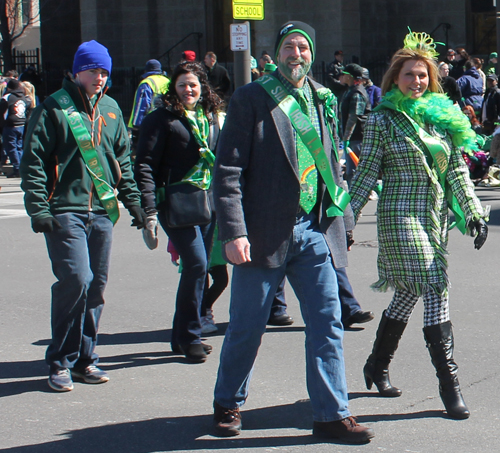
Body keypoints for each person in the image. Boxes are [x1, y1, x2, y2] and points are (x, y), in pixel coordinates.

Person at [211, 20, 374, 443]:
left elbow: (334, 167)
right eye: (289, 47)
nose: (296, 54)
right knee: (247, 326)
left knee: (327, 323)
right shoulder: (251, 98)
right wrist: (233, 230)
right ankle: (228, 400)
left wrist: (345, 223)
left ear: (311, 53)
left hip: (314, 230)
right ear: (277, 52)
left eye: (303, 47)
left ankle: (330, 414)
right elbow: (227, 171)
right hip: (262, 233)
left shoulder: (323, 99)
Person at [349, 30, 489, 420]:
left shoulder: (443, 118)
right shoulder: (382, 119)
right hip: (399, 217)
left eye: (423, 75)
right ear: (395, 78)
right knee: (435, 282)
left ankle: (376, 365)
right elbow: (366, 173)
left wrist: (475, 212)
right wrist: (346, 218)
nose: (416, 82)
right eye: (409, 75)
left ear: (432, 78)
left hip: (435, 217)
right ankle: (450, 386)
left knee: (409, 293)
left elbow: (457, 173)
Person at [20, 40, 146, 392]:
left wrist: (133, 201)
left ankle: (85, 358)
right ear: (77, 72)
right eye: (93, 70)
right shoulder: (53, 109)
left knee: (96, 287)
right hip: (65, 210)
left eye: (104, 71)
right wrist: (38, 208)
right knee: (76, 279)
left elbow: (121, 160)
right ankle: (60, 359)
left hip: (102, 212)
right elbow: (33, 162)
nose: (100, 77)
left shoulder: (111, 109)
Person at [134, 61, 224, 363]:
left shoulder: (210, 117)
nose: (189, 89)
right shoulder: (161, 119)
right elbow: (144, 164)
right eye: (183, 84)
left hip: (208, 202)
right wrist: (148, 209)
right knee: (197, 265)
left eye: (194, 84)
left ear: (203, 87)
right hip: (175, 202)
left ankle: (180, 335)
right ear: (174, 86)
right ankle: (190, 335)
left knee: (200, 267)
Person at [339, 63, 371, 187]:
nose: (342, 76)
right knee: (352, 170)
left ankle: (355, 198)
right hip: (353, 137)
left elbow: (354, 116)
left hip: (357, 137)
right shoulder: (350, 90)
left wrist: (346, 137)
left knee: (354, 170)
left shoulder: (357, 93)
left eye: (344, 74)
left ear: (351, 76)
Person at [128, 59, 170, 148]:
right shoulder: (167, 81)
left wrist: (136, 126)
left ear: (146, 70)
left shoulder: (147, 83)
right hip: (167, 122)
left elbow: (142, 105)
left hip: (150, 124)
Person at [0, 78, 31, 178]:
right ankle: (21, 167)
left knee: (11, 147)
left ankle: (17, 168)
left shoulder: (8, 97)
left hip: (10, 125)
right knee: (18, 146)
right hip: (21, 124)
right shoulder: (22, 97)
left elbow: (2, 112)